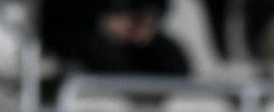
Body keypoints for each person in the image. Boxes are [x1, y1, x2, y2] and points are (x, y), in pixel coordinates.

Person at [40, 0, 190, 76]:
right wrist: (103, 20)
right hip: (77, 29)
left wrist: (145, 20)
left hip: (130, 26)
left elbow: (158, 5)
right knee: (108, 59)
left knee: (171, 57)